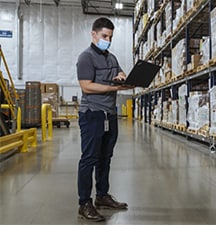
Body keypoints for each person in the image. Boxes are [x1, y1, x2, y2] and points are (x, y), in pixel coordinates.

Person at [76, 17, 132, 222]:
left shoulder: (111, 58)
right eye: (104, 36)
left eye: (110, 37)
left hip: (110, 114)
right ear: (94, 34)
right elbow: (86, 86)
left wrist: (125, 79)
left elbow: (121, 73)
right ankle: (84, 203)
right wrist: (113, 87)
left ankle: (102, 196)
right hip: (92, 114)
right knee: (89, 158)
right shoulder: (86, 57)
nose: (107, 40)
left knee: (105, 157)